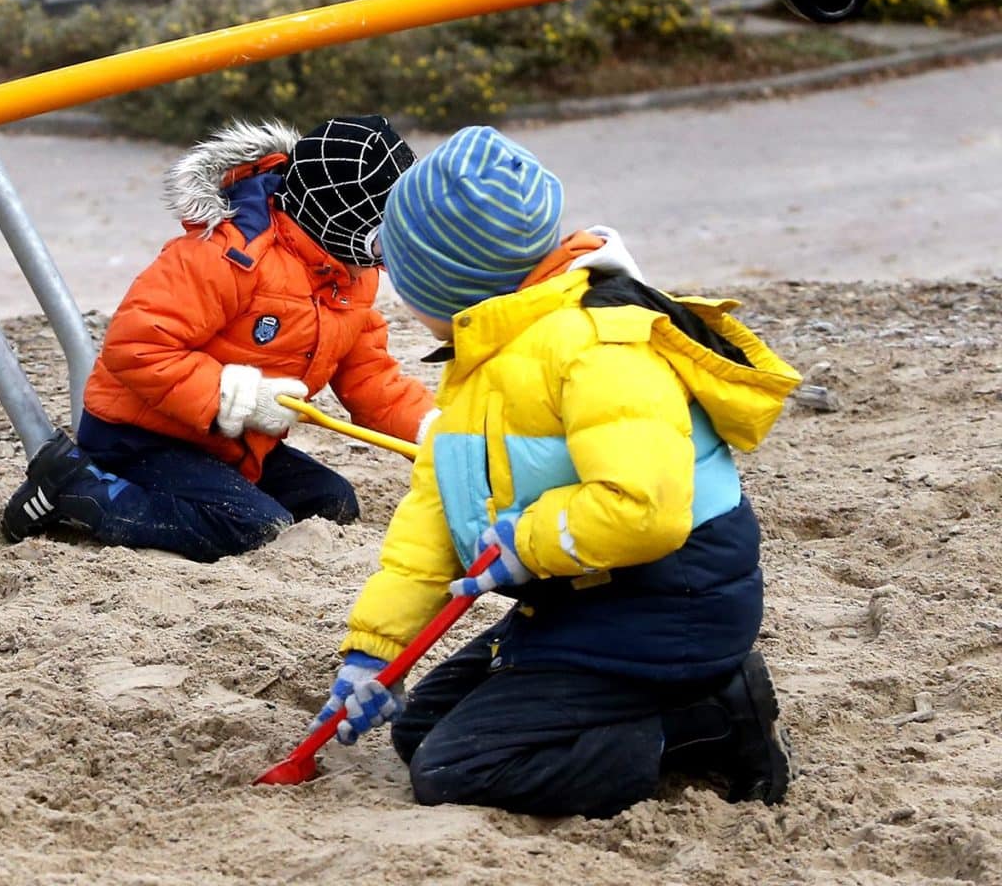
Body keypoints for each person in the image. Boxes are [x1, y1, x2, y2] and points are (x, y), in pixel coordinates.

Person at [307, 126, 797, 818]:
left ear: (446, 279)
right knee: (418, 732)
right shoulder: (486, 349)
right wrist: (375, 654)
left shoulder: (596, 343)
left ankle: (708, 719)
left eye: (400, 271)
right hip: (579, 589)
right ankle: (680, 700)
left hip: (669, 600)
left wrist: (523, 541)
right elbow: (431, 522)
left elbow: (644, 509)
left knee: (457, 769)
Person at [2, 116, 434, 559]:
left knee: (330, 503)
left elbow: (371, 378)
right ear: (336, 215)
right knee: (255, 526)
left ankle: (204, 493)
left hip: (230, 445)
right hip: (139, 437)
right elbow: (136, 346)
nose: (390, 254)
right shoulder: (227, 253)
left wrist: (435, 434)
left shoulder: (350, 276)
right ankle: (81, 491)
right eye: (383, 235)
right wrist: (237, 398)